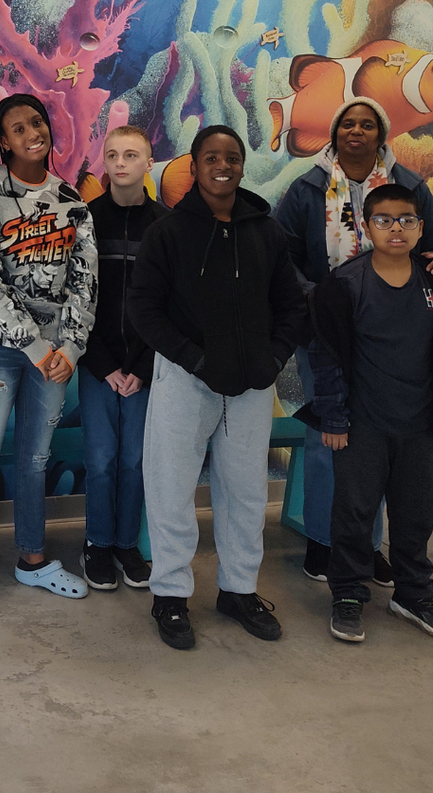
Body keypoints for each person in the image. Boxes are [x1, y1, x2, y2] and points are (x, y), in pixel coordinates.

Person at [128, 125, 306, 649]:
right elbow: (144, 309)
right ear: (195, 165)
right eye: (211, 157)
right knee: (171, 489)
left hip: (250, 386)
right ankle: (170, 596)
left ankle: (239, 590)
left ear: (242, 165)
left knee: (246, 492)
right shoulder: (168, 232)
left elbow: (292, 306)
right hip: (187, 381)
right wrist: (195, 359)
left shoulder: (265, 231)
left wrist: (272, 358)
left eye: (231, 156)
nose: (222, 165)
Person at [0, 93, 97, 624]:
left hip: (53, 355)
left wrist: (69, 347)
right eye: (18, 127)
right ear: (2, 142)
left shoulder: (71, 200)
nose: (33, 132)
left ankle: (32, 558)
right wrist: (38, 347)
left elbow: (85, 282)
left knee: (34, 460)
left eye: (37, 122)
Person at [274, 97, 432, 584]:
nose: (357, 131)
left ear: (382, 134)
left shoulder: (410, 187)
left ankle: (364, 547)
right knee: (331, 439)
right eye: (348, 123)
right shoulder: (306, 188)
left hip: (394, 332)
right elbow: (284, 260)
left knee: (384, 443)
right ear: (335, 132)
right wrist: (321, 302)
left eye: (368, 124)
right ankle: (325, 542)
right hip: (328, 329)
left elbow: (427, 249)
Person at [307, 185, 433, 642]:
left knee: (417, 512)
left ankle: (413, 591)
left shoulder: (429, 281)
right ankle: (347, 591)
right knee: (355, 513)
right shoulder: (344, 285)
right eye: (384, 219)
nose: (395, 228)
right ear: (365, 224)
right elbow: (327, 357)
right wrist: (334, 419)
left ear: (420, 228)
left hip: (420, 425)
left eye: (406, 220)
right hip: (362, 425)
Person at [78, 125, 167, 591]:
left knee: (135, 459)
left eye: (131, 155)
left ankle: (126, 545)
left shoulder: (166, 225)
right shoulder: (86, 219)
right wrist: (106, 364)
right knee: (100, 457)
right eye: (112, 154)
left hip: (145, 369)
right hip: (99, 366)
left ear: (148, 163)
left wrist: (141, 366)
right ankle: (96, 543)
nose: (119, 163)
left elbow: (173, 305)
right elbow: (76, 301)